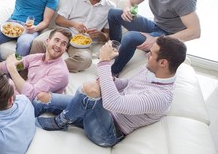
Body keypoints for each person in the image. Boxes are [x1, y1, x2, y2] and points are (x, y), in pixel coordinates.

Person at [32, 36, 187, 147]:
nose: (147, 55)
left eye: (152, 54)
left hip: (108, 131)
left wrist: (104, 62)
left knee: (90, 89)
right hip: (100, 111)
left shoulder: (160, 97)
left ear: (163, 63)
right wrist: (113, 81)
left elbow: (113, 102)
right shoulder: (152, 71)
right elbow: (128, 83)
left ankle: (60, 122)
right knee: (41, 98)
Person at [108, 0, 200, 76]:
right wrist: (127, 10)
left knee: (130, 37)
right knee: (113, 13)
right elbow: (130, 1)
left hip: (168, 36)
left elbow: (195, 31)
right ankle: (115, 49)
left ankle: (113, 72)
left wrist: (157, 40)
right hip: (155, 26)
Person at [30, 0, 115, 72]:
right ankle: (30, 73)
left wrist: (99, 34)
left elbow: (106, 36)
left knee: (86, 60)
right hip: (64, 33)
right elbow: (58, 20)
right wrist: (74, 24)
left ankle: (51, 69)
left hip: (83, 43)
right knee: (38, 43)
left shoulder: (110, 7)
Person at [0, 27, 72, 101]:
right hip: (18, 93)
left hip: (24, 104)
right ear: (47, 41)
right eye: (56, 40)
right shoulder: (37, 57)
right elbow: (6, 65)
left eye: (63, 44)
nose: (58, 45)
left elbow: (31, 95)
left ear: (65, 49)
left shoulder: (60, 72)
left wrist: (12, 69)